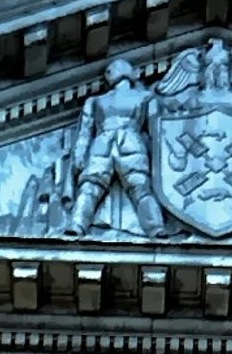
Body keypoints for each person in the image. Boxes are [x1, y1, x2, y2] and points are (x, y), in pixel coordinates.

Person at [67, 58, 165, 238]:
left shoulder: (99, 100)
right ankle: (156, 229)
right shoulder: (143, 98)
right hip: (122, 143)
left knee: (96, 187)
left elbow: (155, 130)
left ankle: (156, 228)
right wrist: (79, 154)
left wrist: (79, 154)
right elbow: (156, 133)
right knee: (136, 188)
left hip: (112, 144)